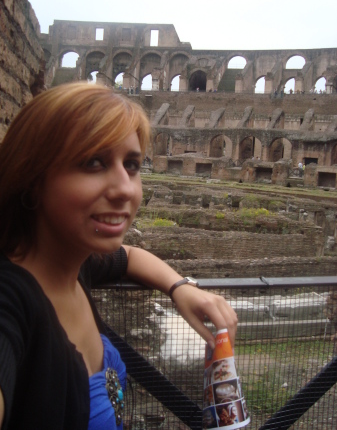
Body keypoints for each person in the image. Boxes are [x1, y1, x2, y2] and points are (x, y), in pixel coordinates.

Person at [0, 82, 237, 429]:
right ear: (32, 177)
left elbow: (130, 257)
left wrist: (181, 287)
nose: (125, 188)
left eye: (132, 164)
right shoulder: (10, 302)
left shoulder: (72, 264)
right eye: (93, 162)